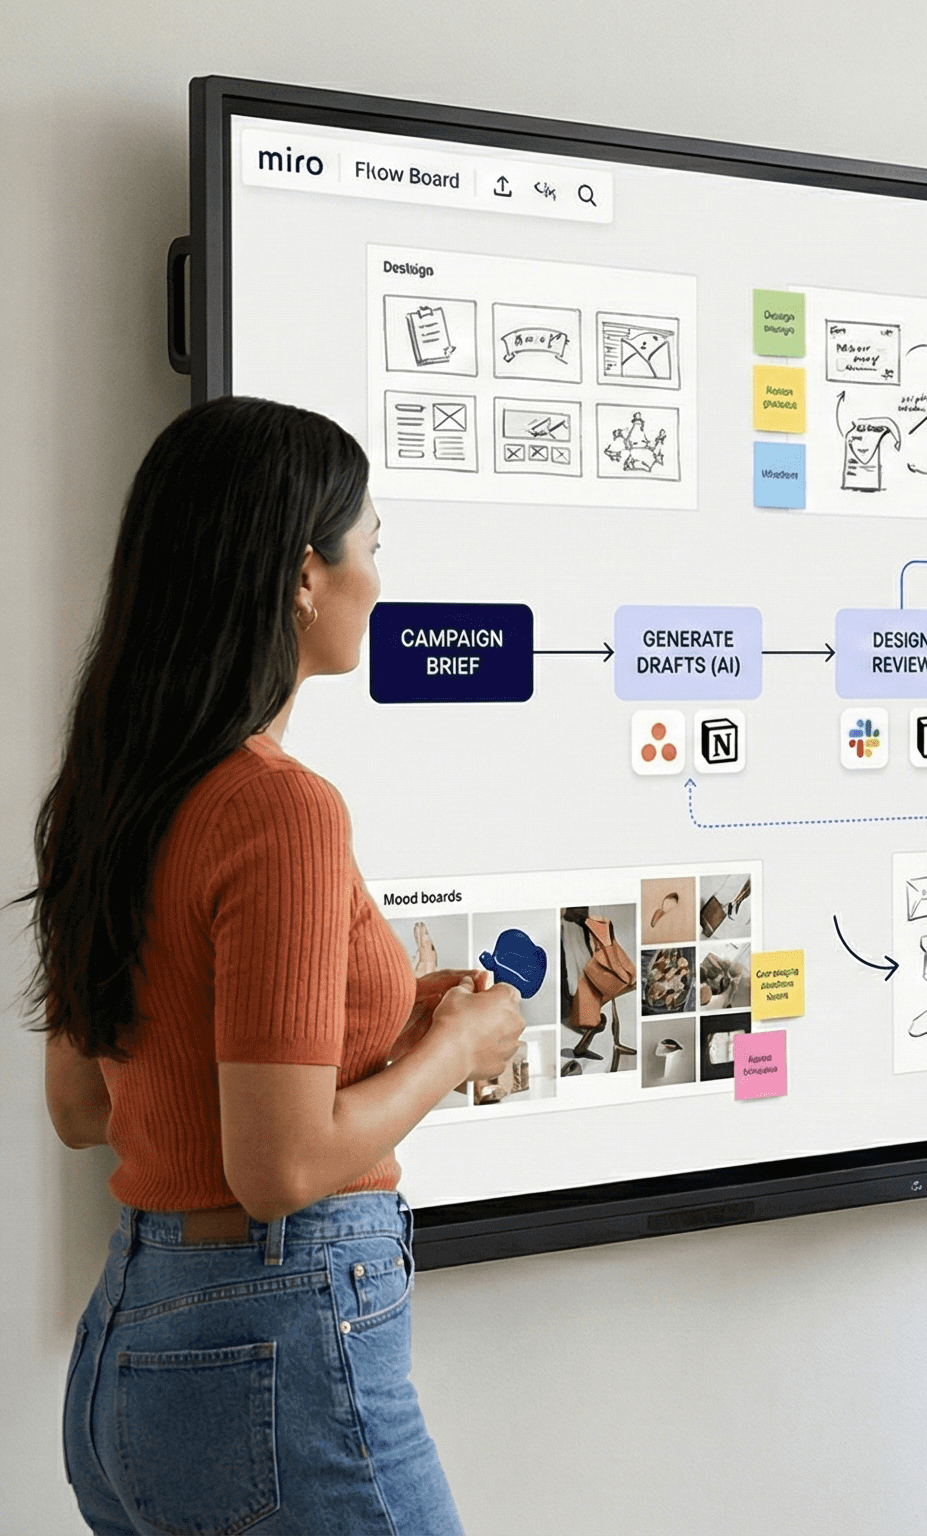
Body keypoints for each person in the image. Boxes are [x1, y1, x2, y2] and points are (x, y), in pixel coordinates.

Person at [33, 396, 527, 1536]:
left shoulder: (111, 794)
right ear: (304, 574)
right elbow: (280, 1166)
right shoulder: (281, 810)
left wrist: (391, 1025)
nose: (379, 582)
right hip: (278, 1332)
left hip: (133, 1346)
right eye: (372, 547)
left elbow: (82, 1103)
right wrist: (455, 1048)